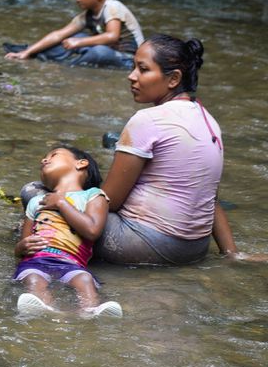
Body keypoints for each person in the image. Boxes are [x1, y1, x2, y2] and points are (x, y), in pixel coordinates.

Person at [96, 36, 243, 265]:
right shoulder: (209, 121)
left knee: (39, 196)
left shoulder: (147, 120)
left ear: (174, 78)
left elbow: (110, 201)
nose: (132, 76)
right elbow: (209, 197)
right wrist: (232, 254)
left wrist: (67, 199)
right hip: (195, 249)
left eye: (143, 69)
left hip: (145, 243)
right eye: (133, 67)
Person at [12, 145, 121, 318]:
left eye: (53, 155)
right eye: (44, 158)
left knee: (84, 280)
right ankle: (42, 307)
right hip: (36, 260)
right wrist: (20, 248)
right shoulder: (36, 201)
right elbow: (24, 244)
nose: (44, 160)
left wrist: (61, 203)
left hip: (71, 262)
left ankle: (90, 310)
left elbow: (92, 230)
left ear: (81, 164)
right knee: (33, 279)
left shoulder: (93, 195)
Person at [4, 0, 143, 68]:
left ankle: (69, 66)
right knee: (71, 40)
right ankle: (35, 52)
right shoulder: (87, 15)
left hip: (128, 59)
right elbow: (58, 35)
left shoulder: (112, 6)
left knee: (94, 49)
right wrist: (28, 52)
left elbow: (112, 36)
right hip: (108, 52)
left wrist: (78, 42)